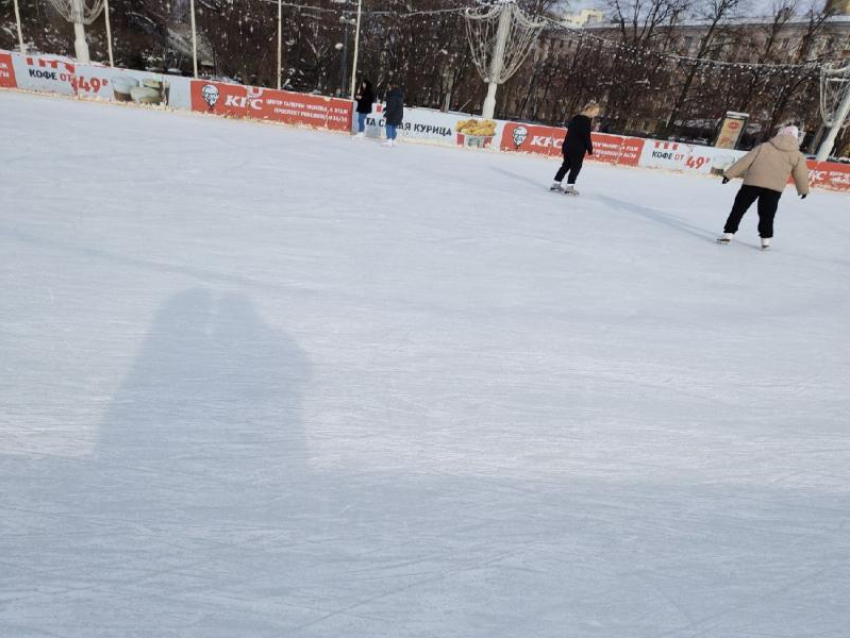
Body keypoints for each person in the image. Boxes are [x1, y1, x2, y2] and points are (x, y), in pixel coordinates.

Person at [717, 124, 810, 250]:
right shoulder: (797, 155)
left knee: (739, 209)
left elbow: (745, 160)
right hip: (774, 188)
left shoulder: (764, 146)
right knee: (767, 214)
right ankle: (765, 241)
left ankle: (728, 234)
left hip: (752, 183)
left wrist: (729, 175)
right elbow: (801, 173)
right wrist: (803, 190)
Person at [550, 101, 600, 195]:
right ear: (589, 110)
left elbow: (569, 133)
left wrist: (565, 146)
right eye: (595, 112)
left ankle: (556, 184)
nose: (596, 114)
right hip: (577, 148)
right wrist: (590, 149)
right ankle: (569, 187)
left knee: (566, 165)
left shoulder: (575, 118)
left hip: (568, 146)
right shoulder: (585, 121)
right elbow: (586, 136)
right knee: (576, 167)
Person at [383, 82, 404, 148]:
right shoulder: (398, 94)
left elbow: (392, 106)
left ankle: (389, 140)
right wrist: (386, 108)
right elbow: (395, 105)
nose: (388, 88)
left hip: (393, 114)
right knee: (393, 127)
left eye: (389, 87)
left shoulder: (393, 95)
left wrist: (386, 114)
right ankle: (393, 140)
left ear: (392, 87)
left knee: (388, 126)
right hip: (399, 114)